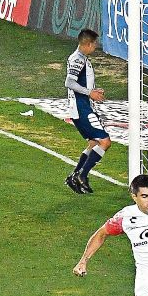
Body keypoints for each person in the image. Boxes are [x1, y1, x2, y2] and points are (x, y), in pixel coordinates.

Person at [64, 29, 108, 194]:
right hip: (82, 109)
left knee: (93, 143)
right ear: (88, 44)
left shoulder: (80, 58)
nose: (96, 47)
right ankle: (83, 175)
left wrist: (93, 90)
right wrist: (90, 93)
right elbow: (69, 82)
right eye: (95, 43)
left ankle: (74, 176)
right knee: (105, 142)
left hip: (82, 107)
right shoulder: (78, 60)